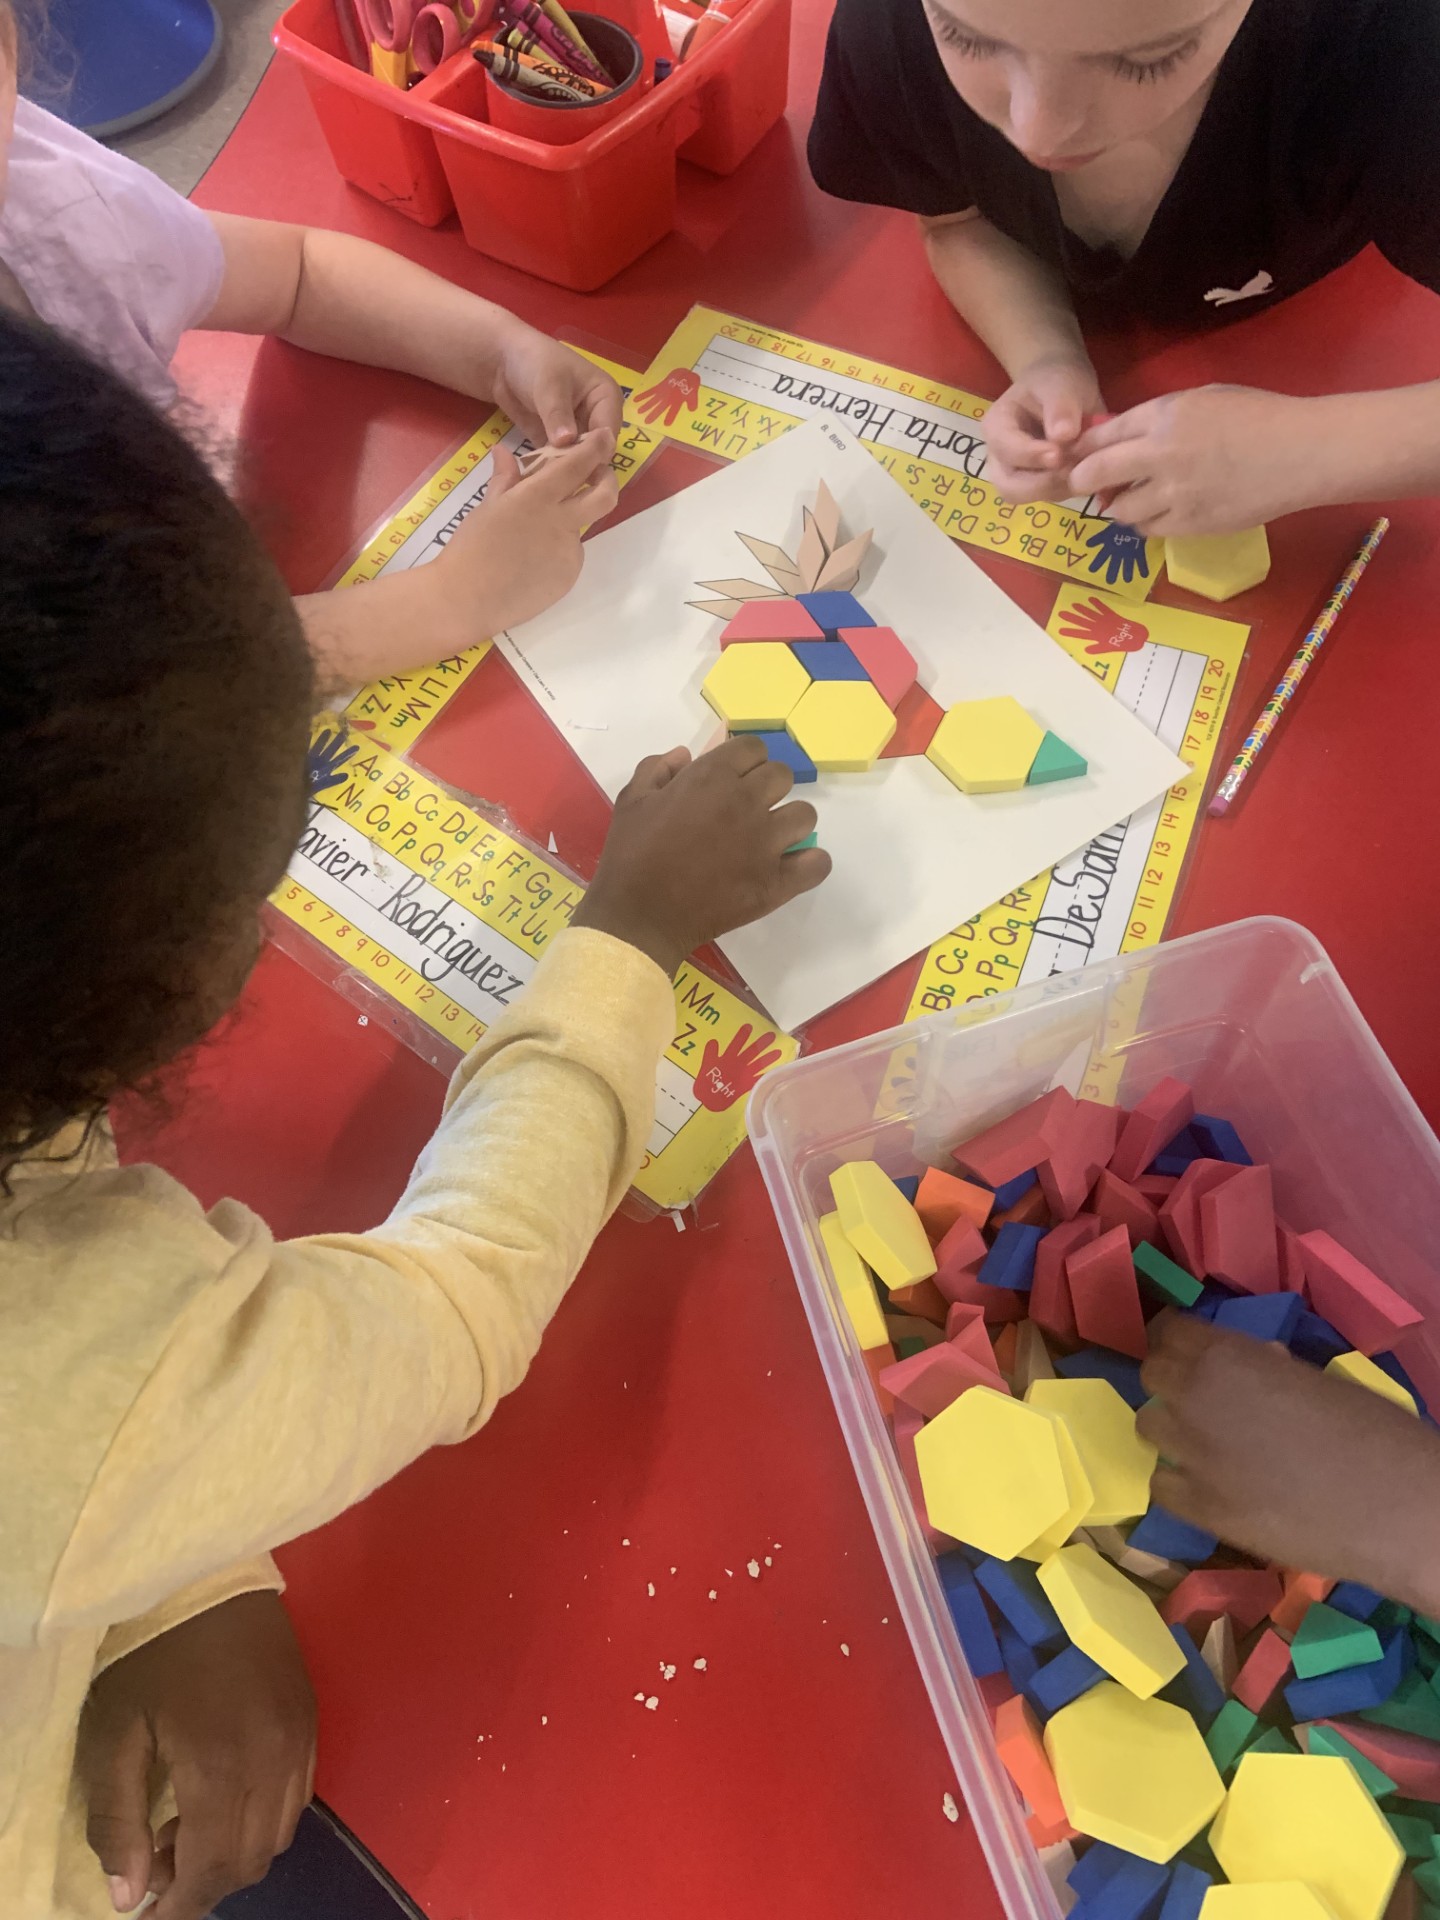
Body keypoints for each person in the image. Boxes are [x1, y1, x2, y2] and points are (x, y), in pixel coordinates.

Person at [0, 309, 830, 1920]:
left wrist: (177, 1559)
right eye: (260, 868)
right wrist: (632, 938)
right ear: (126, 995)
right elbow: (454, 1302)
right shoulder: (67, 1376)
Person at [0, 0, 621, 688]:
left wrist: (499, 351)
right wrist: (452, 599)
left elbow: (298, 276)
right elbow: (129, 690)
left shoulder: (56, 212)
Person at [808, 0, 1440, 537]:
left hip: (1331, 329)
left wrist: (1316, 450)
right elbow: (954, 219)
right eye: (964, 35)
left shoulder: (1394, 40)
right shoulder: (888, 22)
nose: (1041, 132)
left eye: (1148, 59)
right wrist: (1044, 356)